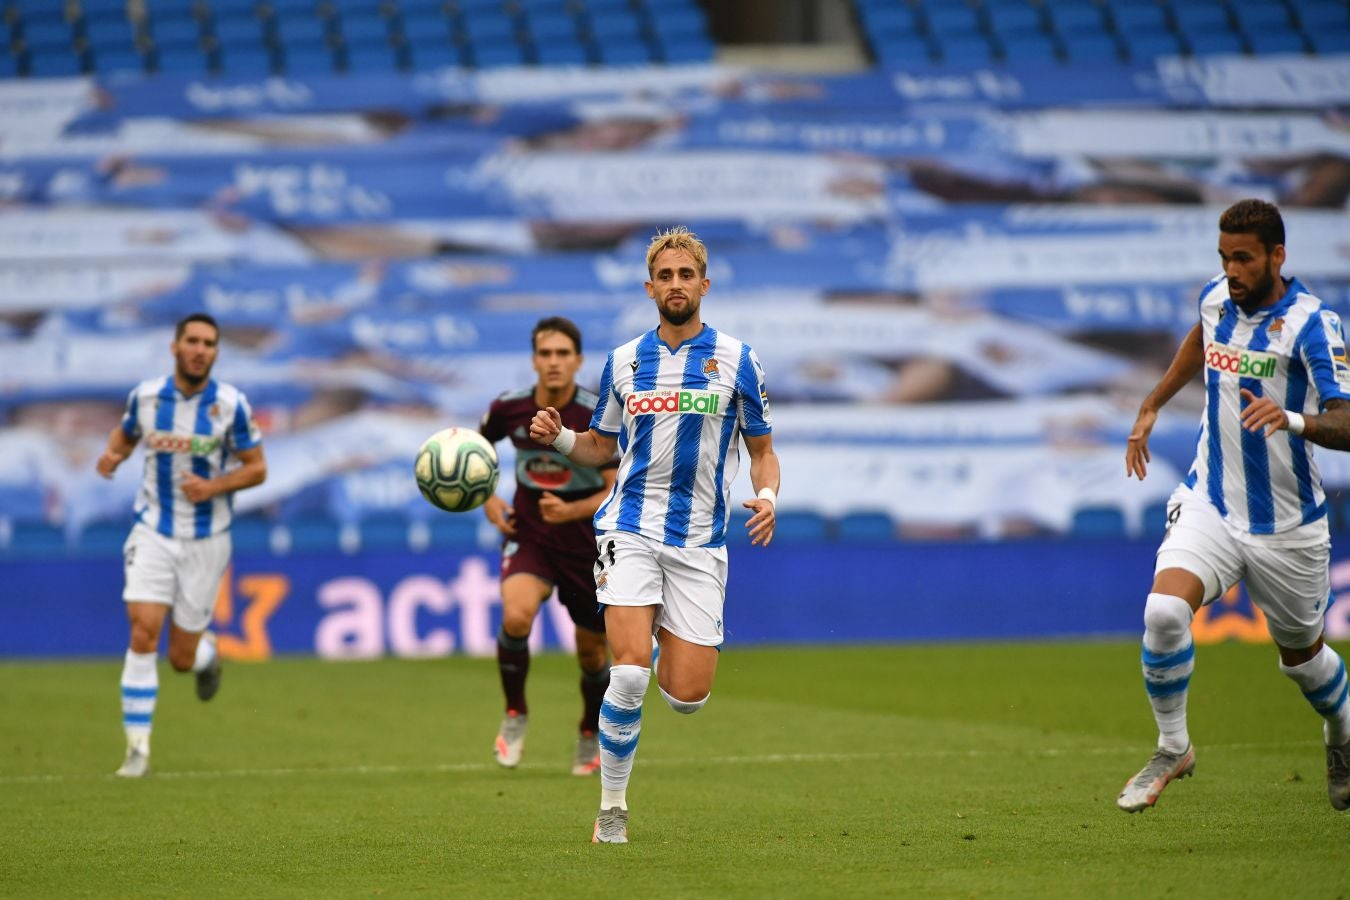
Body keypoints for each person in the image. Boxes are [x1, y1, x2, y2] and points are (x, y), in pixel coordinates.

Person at [529, 226, 781, 843]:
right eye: (664, 276)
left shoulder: (738, 361)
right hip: (629, 528)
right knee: (629, 673)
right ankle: (612, 808)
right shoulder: (624, 361)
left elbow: (763, 451)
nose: (675, 285)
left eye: (685, 275)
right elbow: (597, 447)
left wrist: (768, 496)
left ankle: (669, 626)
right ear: (650, 287)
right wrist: (559, 437)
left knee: (688, 698)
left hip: (699, 542)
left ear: (704, 284)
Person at [1119, 198, 1350, 813]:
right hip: (1211, 501)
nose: (1232, 271)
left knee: (1303, 661)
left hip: (1288, 525)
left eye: (1243, 258)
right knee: (1165, 612)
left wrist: (1294, 418)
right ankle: (1174, 747)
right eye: (1224, 258)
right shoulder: (1217, 298)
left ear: (1278, 255)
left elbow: (1347, 421)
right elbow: (1201, 338)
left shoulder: (1313, 325)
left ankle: (1343, 730)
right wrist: (1154, 401)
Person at [96, 312, 267, 778]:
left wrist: (214, 487)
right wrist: (114, 454)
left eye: (209, 343)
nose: (199, 349)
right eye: (191, 340)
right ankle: (137, 751)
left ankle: (206, 658)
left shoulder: (230, 406)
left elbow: (257, 468)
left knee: (180, 658)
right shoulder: (148, 398)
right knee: (143, 630)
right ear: (175, 347)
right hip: (152, 528)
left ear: (215, 352)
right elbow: (126, 432)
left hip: (206, 540)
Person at [480, 316, 618, 775]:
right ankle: (515, 713)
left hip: (585, 542)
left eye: (563, 354)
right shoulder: (508, 408)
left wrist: (574, 511)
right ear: (534, 360)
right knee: (516, 614)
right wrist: (489, 502)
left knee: (592, 654)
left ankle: (588, 730)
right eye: (546, 353)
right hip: (531, 533)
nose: (554, 362)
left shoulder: (598, 414)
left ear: (578, 361)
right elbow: (473, 457)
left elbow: (616, 486)